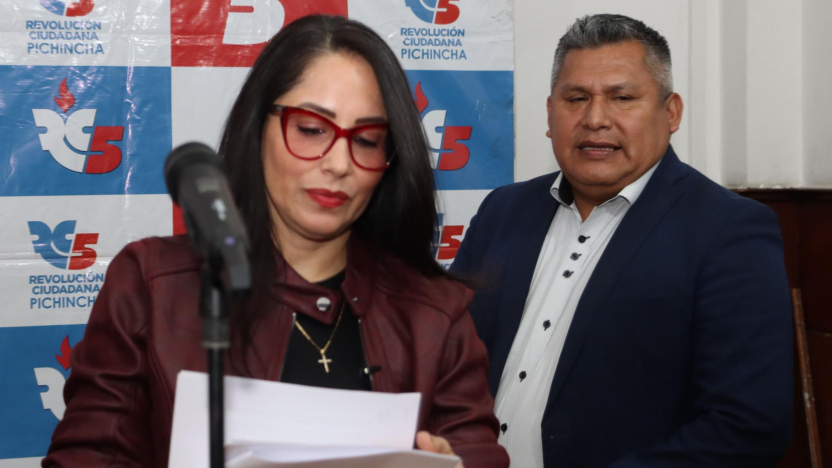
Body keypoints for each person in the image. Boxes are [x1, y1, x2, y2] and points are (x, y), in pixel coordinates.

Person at [43, 15, 508, 468]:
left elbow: (476, 452)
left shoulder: (436, 313)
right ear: (256, 126)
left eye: (367, 140)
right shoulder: (152, 285)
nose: (339, 163)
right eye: (311, 130)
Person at [450, 13, 792, 468]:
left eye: (622, 98)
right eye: (576, 99)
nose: (595, 119)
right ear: (550, 113)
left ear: (671, 113)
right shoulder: (502, 212)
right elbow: (447, 362)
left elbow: (748, 425)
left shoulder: (728, 231)